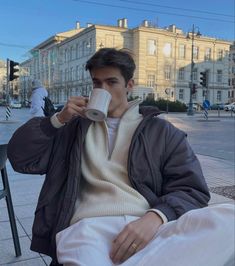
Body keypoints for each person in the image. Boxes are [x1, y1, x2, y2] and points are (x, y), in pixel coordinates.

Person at [7, 48, 234, 266]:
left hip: (148, 223)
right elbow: (21, 159)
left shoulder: (162, 132)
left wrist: (156, 216)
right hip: (87, 227)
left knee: (228, 217)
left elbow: (192, 189)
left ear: (129, 85)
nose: (102, 89)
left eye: (111, 82)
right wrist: (57, 120)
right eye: (97, 83)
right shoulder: (72, 128)